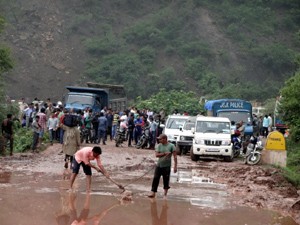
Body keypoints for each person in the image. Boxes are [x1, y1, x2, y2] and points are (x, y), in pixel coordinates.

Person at [148, 134, 177, 199]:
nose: (159, 140)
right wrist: (164, 153)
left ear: (165, 139)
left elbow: (175, 156)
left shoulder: (171, 146)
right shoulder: (159, 146)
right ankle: (153, 192)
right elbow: (157, 155)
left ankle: (165, 194)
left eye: (160, 139)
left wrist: (175, 166)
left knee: (166, 180)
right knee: (155, 178)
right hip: (159, 165)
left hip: (167, 166)